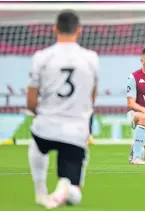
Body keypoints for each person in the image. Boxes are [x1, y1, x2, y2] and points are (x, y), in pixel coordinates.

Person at [27, 9, 99, 208]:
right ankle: (67, 184)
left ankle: (40, 189)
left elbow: (31, 102)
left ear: (55, 29)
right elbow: (92, 97)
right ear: (79, 30)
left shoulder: (41, 57)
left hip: (46, 127)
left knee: (36, 143)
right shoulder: (91, 58)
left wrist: (45, 111)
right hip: (76, 132)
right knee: (75, 194)